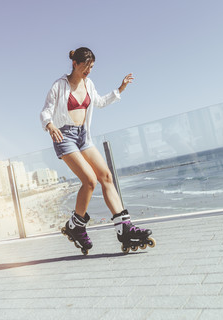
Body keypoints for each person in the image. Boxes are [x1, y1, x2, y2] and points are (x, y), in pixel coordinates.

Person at [40, 47, 155, 254]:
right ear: (75, 63)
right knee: (90, 181)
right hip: (64, 136)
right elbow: (46, 111)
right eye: (85, 66)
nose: (89, 71)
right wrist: (50, 125)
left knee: (106, 176)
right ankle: (76, 226)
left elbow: (99, 102)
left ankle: (124, 228)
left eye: (91, 67)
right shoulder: (59, 86)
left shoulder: (88, 83)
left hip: (83, 136)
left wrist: (119, 90)